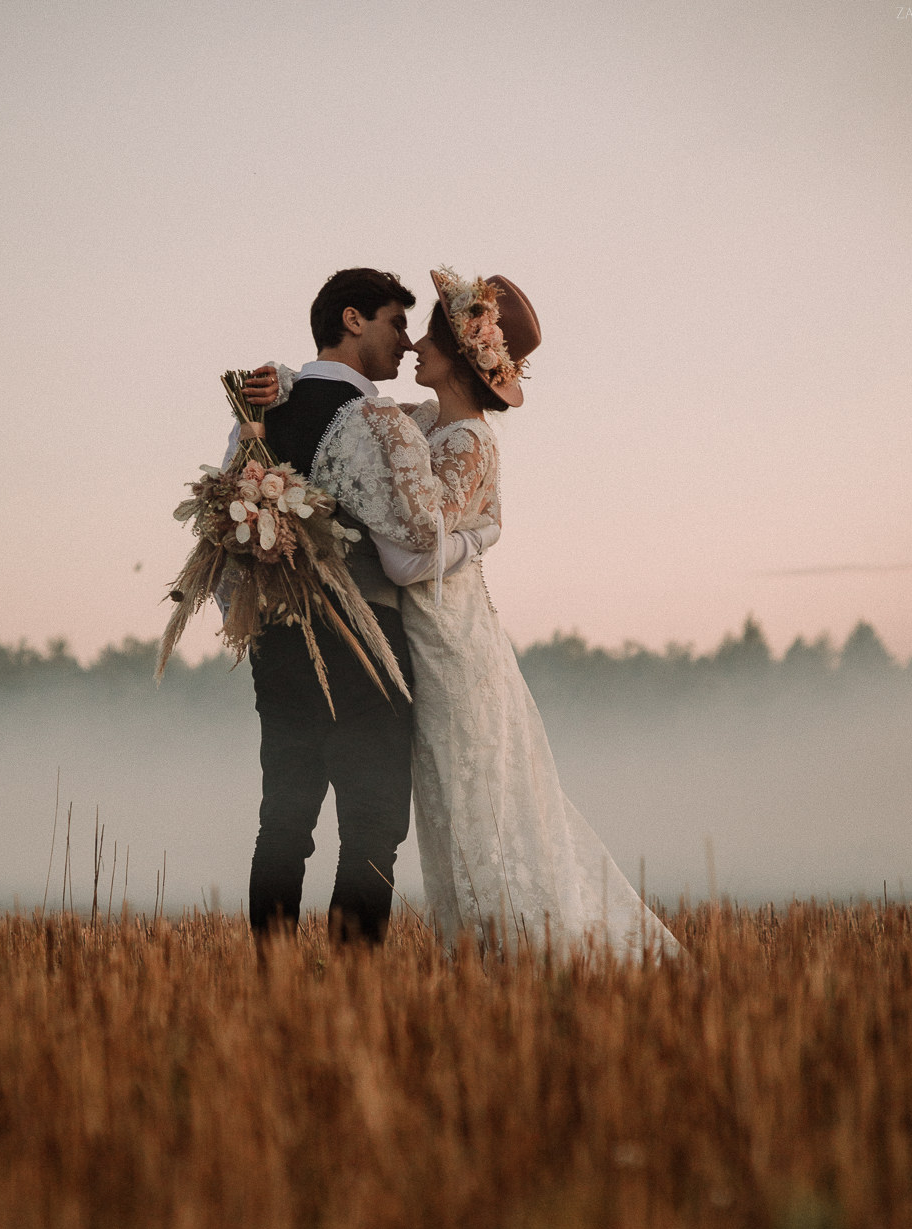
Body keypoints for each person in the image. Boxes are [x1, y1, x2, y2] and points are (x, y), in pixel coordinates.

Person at [256, 269, 679, 960]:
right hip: (415, 632)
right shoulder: (422, 422)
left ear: (461, 356)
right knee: (432, 805)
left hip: (442, 638)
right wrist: (282, 378)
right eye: (409, 328)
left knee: (465, 801)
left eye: (432, 336)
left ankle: (506, 950)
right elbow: (348, 410)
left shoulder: (465, 442)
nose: (416, 343)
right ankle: (462, 956)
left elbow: (408, 561)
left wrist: (482, 535)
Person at [233, 267, 499, 944]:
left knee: (284, 821)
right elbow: (409, 546)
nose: (406, 343)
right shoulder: (375, 421)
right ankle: (353, 990)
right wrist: (482, 532)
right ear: (353, 321)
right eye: (396, 322)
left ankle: (275, 986)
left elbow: (229, 539)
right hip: (365, 645)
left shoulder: (254, 419)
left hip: (277, 644)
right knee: (373, 827)